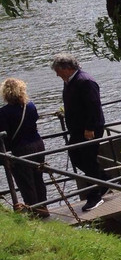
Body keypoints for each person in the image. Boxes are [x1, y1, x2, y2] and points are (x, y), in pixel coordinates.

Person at [51, 53, 108, 212]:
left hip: (88, 130)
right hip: (77, 130)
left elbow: (93, 106)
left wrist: (90, 128)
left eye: (58, 70)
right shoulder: (69, 82)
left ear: (67, 68)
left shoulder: (85, 81)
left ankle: (95, 196)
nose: (57, 74)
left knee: (89, 160)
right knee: (76, 157)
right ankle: (107, 181)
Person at [0, 78, 49, 218]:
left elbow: (5, 134)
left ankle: (34, 212)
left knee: (26, 182)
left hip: (21, 149)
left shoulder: (3, 112)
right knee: (38, 177)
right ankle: (44, 208)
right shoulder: (31, 106)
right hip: (38, 145)